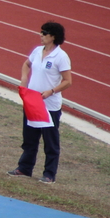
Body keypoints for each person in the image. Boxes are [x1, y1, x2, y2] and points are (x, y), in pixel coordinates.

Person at [8, 21, 72, 184]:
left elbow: (67, 81)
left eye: (44, 33)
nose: (41, 35)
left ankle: (49, 174)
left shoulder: (61, 57)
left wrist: (51, 91)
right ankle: (24, 168)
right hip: (32, 102)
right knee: (29, 138)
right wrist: (23, 79)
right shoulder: (37, 51)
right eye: (41, 32)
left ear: (53, 36)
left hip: (49, 106)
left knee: (50, 143)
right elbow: (26, 64)